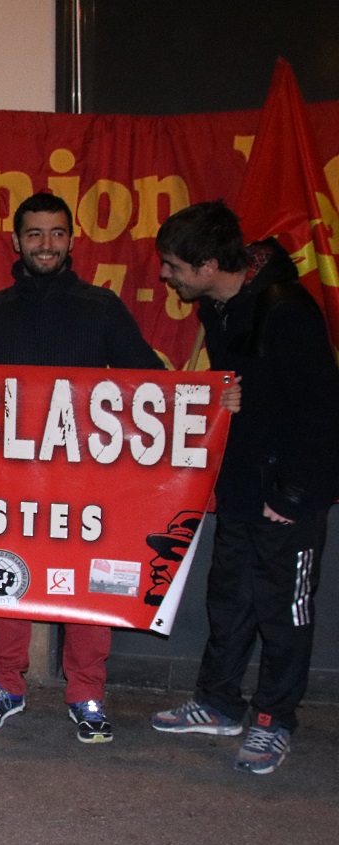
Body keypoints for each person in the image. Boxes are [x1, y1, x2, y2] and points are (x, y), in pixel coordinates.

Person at [0, 191, 168, 745]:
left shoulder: (101, 307)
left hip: (87, 481)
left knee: (89, 586)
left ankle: (86, 694)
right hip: (11, 479)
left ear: (72, 240)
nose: (46, 244)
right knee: (2, 578)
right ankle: (5, 685)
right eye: (34, 234)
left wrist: (215, 398)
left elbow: (153, 383)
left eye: (56, 233)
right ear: (16, 241)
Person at [150, 200, 339, 775]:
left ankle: (272, 721)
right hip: (237, 488)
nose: (165, 276)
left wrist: (292, 496)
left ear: (209, 264)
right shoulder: (217, 305)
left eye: (174, 266)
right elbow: (249, 384)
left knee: (285, 613)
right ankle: (218, 703)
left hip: (289, 496)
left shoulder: (285, 311)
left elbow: (324, 414)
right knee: (228, 601)